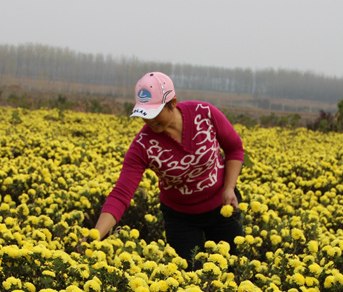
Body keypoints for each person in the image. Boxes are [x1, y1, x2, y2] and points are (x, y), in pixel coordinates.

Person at [93, 71, 245, 266]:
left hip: (222, 206)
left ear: (172, 103)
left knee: (234, 268)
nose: (149, 121)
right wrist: (95, 236)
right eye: (144, 114)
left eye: (155, 113)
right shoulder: (142, 146)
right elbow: (121, 194)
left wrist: (229, 188)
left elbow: (234, 149)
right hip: (180, 218)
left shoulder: (204, 113)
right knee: (188, 278)